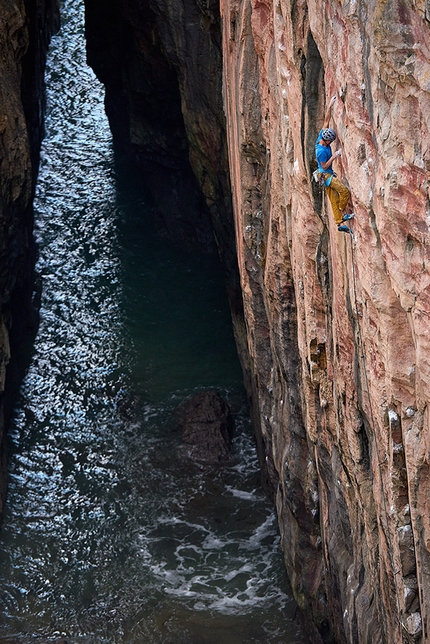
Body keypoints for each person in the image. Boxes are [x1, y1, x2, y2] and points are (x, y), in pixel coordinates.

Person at [315, 95, 354, 233]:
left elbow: (326, 120)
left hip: (327, 174)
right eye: (330, 142)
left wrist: (330, 106)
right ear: (326, 141)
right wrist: (335, 156)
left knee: (333, 200)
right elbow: (324, 166)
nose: (330, 143)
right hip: (325, 175)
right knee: (343, 191)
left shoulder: (322, 135)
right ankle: (343, 212)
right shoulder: (321, 151)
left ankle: (339, 223)